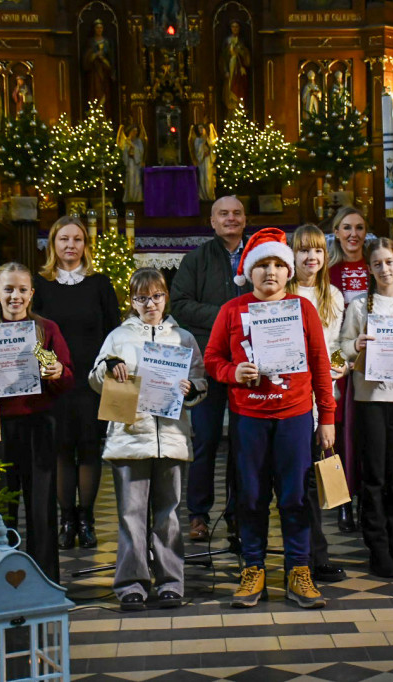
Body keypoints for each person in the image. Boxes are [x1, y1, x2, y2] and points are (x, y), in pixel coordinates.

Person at [205, 227, 336, 609]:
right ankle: (254, 568)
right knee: (251, 496)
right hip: (249, 417)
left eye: (279, 264)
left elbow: (320, 365)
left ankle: (299, 570)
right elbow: (212, 358)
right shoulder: (232, 310)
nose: (272, 272)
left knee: (295, 497)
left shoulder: (303, 309)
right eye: (263, 264)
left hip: (295, 416)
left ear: (289, 269)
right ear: (249, 270)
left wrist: (326, 417)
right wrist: (233, 373)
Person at [89, 269, 206, 610]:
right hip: (130, 436)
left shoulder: (182, 337)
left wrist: (191, 389)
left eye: (156, 296)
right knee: (131, 514)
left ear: (165, 297)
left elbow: (200, 379)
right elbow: (96, 376)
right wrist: (109, 368)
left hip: (170, 437)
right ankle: (131, 585)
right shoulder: (118, 337)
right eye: (142, 298)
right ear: (132, 301)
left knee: (168, 514)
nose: (150, 303)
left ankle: (171, 581)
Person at [0, 262, 74, 583]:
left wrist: (57, 373)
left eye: (22, 290)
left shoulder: (43, 331)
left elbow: (66, 377)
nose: (15, 296)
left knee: (41, 511)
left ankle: (44, 581)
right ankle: (0, 581)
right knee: (0, 510)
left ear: (31, 294)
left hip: (39, 425)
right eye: (9, 289)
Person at [33, 216, 121, 551]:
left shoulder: (99, 283)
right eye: (63, 239)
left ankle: (86, 518)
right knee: (61, 451)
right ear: (52, 244)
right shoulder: (40, 285)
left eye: (78, 239)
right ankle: (66, 518)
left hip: (91, 380)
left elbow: (114, 331)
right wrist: (49, 367)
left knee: (88, 449)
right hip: (54, 380)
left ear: (86, 245)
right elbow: (34, 335)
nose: (71, 246)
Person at [170, 195, 252, 542]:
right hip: (208, 360)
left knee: (244, 441)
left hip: (251, 364)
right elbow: (179, 304)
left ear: (244, 219)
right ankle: (198, 514)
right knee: (204, 440)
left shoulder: (260, 255)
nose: (230, 219)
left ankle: (238, 513)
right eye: (223, 214)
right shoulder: (197, 259)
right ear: (213, 221)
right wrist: (225, 316)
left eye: (236, 213)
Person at [339, 238, 393, 578]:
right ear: (369, 269)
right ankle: (378, 549)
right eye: (377, 264)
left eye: (389, 262)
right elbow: (344, 347)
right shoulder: (360, 306)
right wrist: (355, 345)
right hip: (370, 397)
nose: (384, 269)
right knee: (373, 477)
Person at [286, 224, 348, 584]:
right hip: (292, 398)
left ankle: (315, 555)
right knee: (298, 481)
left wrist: (339, 363)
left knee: (314, 480)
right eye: (304, 251)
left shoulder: (333, 296)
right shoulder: (284, 292)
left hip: (321, 398)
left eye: (318, 251)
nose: (311, 257)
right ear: (292, 256)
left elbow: (335, 343)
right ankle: (302, 557)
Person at [327, 206, 370, 533]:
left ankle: (366, 498)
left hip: (371, 362)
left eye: (358, 227)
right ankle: (341, 502)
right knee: (335, 437)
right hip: (337, 362)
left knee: (363, 436)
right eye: (346, 228)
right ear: (336, 232)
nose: (353, 234)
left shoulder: (376, 265)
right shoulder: (327, 271)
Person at [83, 18, 115, 119]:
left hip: (105, 72)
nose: (99, 30)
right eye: (97, 28)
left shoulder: (106, 42)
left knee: (105, 93)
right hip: (94, 73)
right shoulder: (91, 42)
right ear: (94, 29)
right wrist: (95, 55)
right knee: (95, 92)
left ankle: (105, 116)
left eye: (101, 28)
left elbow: (111, 58)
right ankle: (95, 116)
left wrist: (110, 68)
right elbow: (86, 57)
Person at [220, 20, 250, 112]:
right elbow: (223, 58)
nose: (235, 29)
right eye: (233, 27)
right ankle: (231, 110)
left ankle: (239, 109)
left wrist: (240, 51)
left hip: (239, 70)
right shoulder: (227, 41)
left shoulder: (242, 41)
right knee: (229, 88)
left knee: (239, 88)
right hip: (230, 67)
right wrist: (225, 70)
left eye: (237, 27)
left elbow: (246, 57)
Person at [190, 124, 215, 201]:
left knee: (208, 178)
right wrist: (202, 153)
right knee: (202, 178)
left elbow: (213, 146)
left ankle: (210, 196)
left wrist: (210, 150)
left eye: (202, 128)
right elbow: (197, 151)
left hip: (208, 160)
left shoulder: (209, 139)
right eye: (199, 128)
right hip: (202, 161)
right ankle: (202, 196)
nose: (201, 130)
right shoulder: (197, 140)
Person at [121, 125, 145, 203]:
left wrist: (133, 146)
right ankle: (130, 198)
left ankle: (137, 198)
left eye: (136, 131)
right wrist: (128, 147)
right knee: (130, 180)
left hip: (136, 163)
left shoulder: (138, 141)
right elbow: (124, 152)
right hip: (130, 163)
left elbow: (140, 151)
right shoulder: (126, 141)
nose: (135, 133)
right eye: (134, 131)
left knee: (137, 180)